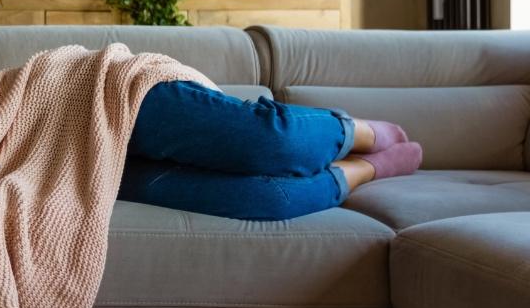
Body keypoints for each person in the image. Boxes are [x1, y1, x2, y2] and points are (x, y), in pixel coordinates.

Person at [119, 80, 422, 220]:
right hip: (87, 161)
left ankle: (353, 131)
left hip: (110, 97)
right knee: (271, 197)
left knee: (269, 140)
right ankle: (362, 170)